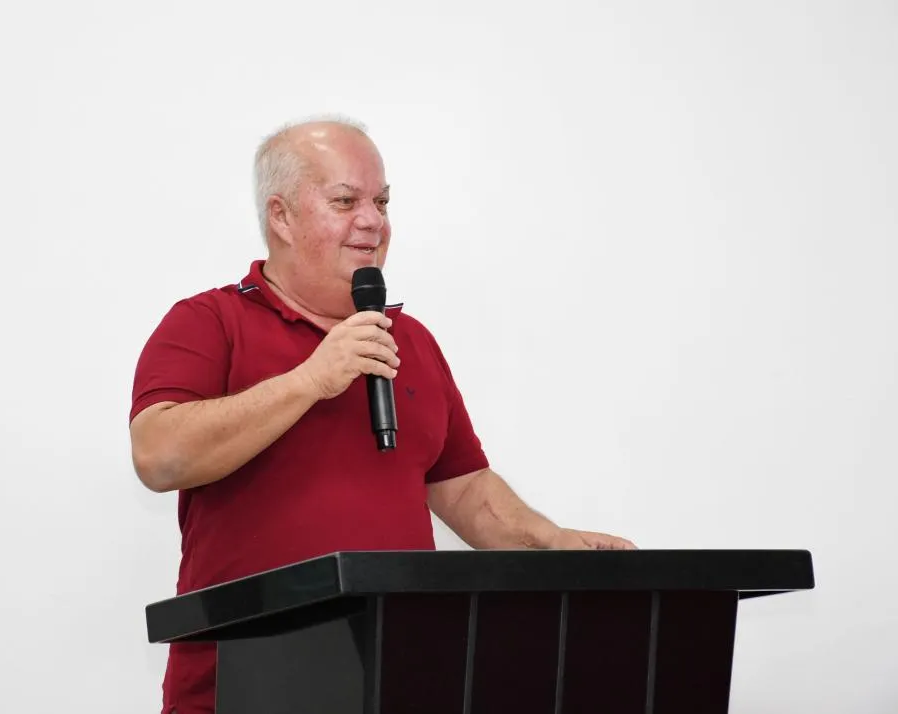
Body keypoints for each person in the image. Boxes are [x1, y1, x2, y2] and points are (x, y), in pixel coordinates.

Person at [129, 117, 636, 714]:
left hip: (400, 681)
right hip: (239, 687)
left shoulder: (409, 339)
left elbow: (465, 488)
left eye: (382, 202)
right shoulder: (208, 322)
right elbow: (159, 456)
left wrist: (554, 544)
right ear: (281, 216)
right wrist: (311, 380)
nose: (373, 221)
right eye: (346, 201)